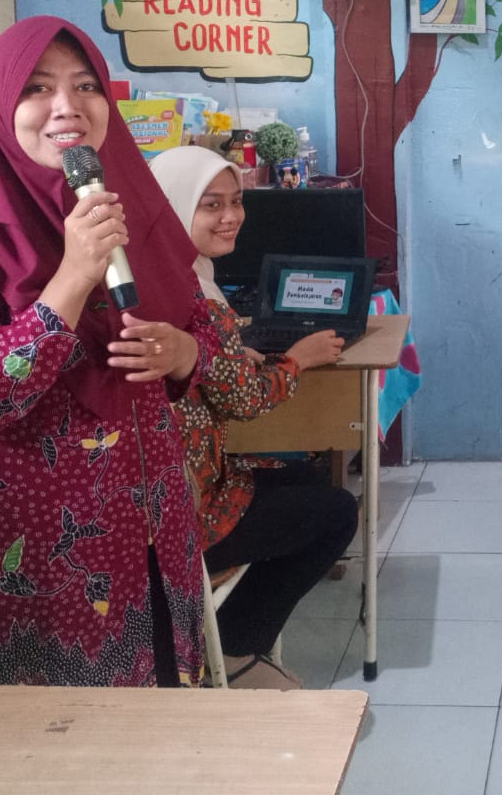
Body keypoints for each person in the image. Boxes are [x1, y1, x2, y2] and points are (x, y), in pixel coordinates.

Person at [0, 17, 217, 686]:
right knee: (47, 733)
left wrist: (185, 352)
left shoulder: (130, 203)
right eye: (37, 88)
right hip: (38, 550)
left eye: (85, 86)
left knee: (159, 720)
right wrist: (72, 278)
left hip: (154, 526)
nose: (66, 107)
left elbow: (208, 328)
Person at [150, 144, 359, 690]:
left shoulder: (168, 275)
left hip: (190, 484)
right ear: (171, 207)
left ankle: (224, 641)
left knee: (306, 477)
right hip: (184, 513)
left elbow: (207, 370)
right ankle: (236, 650)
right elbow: (243, 400)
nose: (231, 216)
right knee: (337, 512)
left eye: (237, 201)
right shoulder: (190, 295)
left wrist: (231, 352)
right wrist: (298, 359)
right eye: (211, 204)